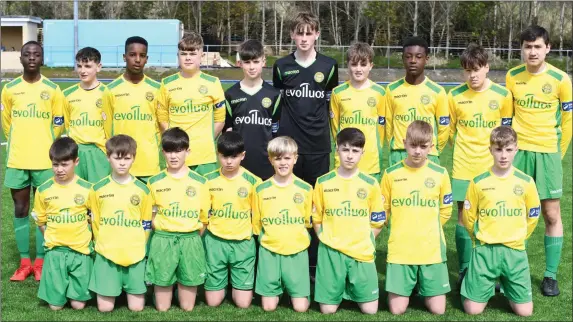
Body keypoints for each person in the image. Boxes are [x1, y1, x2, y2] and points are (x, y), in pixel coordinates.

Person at [505, 25, 572, 297]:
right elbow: (507, 121)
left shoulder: (560, 79)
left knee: (551, 213)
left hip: (548, 153)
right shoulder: (512, 77)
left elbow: (568, 121)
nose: (532, 52)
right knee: (512, 212)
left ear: (548, 48)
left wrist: (559, 153)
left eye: (537, 47)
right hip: (519, 153)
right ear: (521, 49)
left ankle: (550, 276)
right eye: (527, 47)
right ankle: (507, 271)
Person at [272, 11, 338, 283]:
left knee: (316, 207)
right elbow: (277, 103)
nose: (303, 38)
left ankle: (313, 264)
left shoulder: (329, 65)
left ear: (317, 35)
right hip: (289, 149)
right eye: (299, 33)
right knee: (288, 205)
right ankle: (287, 258)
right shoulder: (281, 66)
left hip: (318, 147)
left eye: (308, 33)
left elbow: (329, 101)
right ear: (291, 35)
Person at [448, 43, 513, 287]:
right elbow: (451, 131)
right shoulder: (453, 96)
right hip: (464, 167)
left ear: (486, 67)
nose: (472, 75)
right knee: (464, 218)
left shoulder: (503, 96)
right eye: (467, 70)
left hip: (492, 169)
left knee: (491, 218)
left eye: (476, 69)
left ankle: (491, 269)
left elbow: (507, 133)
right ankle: (464, 269)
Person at [1, 40, 65, 281]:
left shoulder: (53, 89)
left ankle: (40, 261)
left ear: (42, 59)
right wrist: (19, 140)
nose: (31, 57)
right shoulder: (9, 89)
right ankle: (24, 262)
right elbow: (6, 122)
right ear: (20, 59)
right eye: (27, 54)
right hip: (18, 159)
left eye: (36, 54)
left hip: (44, 160)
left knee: (42, 211)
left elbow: (58, 122)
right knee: (20, 209)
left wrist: (46, 142)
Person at [461, 126, 540, 316]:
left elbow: (533, 215)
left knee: (525, 312)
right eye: (498, 149)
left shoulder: (526, 182)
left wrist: (520, 237)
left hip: (515, 252)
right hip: (485, 251)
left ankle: (505, 284)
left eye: (508, 149)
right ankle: (473, 282)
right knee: (472, 310)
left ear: (516, 150)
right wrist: (479, 239)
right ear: (490, 150)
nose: (503, 155)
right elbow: (469, 217)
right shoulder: (478, 182)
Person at [380, 120, 453, 315]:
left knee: (438, 310)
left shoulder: (440, 173)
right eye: (413, 145)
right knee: (397, 309)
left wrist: (427, 227)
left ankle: (421, 286)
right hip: (401, 249)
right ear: (404, 143)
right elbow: (383, 210)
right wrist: (401, 228)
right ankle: (408, 285)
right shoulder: (391, 174)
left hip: (431, 249)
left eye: (423, 146)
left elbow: (446, 209)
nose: (418, 151)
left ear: (431, 146)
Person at [312, 128, 384, 315]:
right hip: (331, 252)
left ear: (362, 153)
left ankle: (353, 288)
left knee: (370, 310)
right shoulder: (323, 182)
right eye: (345, 150)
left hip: (361, 251)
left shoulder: (370, 184)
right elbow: (317, 218)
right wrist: (325, 238)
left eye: (355, 151)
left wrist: (365, 239)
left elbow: (377, 221)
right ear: (337, 149)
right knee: (327, 310)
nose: (350, 156)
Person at [146, 127, 209, 311]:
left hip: (190, 240)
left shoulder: (200, 182)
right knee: (162, 309)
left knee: (187, 308)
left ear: (187, 151)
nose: (174, 156)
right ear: (163, 152)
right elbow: (151, 215)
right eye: (169, 151)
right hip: (162, 240)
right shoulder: (154, 182)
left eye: (179, 150)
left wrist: (188, 234)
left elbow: (204, 220)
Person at [88, 134, 152, 312]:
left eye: (127, 158)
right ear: (108, 158)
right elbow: (96, 222)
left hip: (135, 253)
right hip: (107, 253)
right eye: (117, 158)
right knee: (105, 308)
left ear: (134, 158)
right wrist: (102, 243)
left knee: (137, 308)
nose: (122, 163)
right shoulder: (97, 189)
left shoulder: (143, 190)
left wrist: (139, 245)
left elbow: (146, 223)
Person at [252, 136, 312, 313]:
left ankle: (293, 288)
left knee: (300, 308)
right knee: (268, 307)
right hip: (270, 251)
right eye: (278, 159)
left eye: (287, 158)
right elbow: (257, 224)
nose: (283, 163)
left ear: (295, 158)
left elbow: (308, 222)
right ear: (270, 160)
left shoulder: (306, 189)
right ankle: (275, 289)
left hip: (297, 251)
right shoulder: (261, 190)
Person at [34, 137, 93, 310]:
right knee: (55, 307)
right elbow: (41, 222)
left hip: (80, 252)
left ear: (76, 161)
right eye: (55, 164)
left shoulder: (88, 189)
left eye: (65, 164)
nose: (59, 169)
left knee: (78, 305)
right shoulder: (43, 190)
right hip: (55, 252)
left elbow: (93, 219)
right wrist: (53, 240)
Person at [204, 131, 261, 308]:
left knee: (243, 304)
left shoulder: (254, 182)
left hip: (242, 244)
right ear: (217, 154)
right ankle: (221, 284)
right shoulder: (207, 181)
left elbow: (257, 216)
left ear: (243, 155)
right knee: (213, 302)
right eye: (224, 156)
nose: (229, 162)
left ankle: (236, 286)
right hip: (215, 242)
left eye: (234, 157)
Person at [157, 32, 227, 176]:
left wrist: (206, 139)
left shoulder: (213, 83)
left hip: (204, 157)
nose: (188, 57)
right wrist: (175, 143)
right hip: (176, 155)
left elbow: (220, 119)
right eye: (183, 54)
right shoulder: (166, 84)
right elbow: (162, 118)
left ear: (201, 56)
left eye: (192, 53)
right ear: (178, 57)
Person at [101, 36, 161, 183]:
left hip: (149, 162)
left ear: (147, 59)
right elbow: (107, 129)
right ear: (124, 57)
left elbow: (161, 125)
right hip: (122, 161)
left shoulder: (157, 89)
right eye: (132, 55)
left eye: (142, 55)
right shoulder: (111, 90)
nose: (137, 59)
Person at [385, 36, 449, 166]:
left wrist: (430, 149)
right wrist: (396, 146)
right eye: (408, 56)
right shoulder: (392, 90)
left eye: (418, 57)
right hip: (398, 153)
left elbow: (444, 128)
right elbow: (388, 125)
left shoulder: (437, 91)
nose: (413, 61)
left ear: (426, 59)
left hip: (428, 154)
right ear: (403, 59)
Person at [224, 39, 281, 180]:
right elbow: (228, 132)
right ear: (240, 63)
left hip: (266, 163)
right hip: (239, 164)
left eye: (256, 62)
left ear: (263, 62)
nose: (251, 67)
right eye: (247, 62)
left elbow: (276, 132)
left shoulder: (273, 94)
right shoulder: (231, 94)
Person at [329, 42, 386, 182]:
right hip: (343, 160)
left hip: (370, 162)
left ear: (371, 66)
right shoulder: (338, 93)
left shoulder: (380, 93)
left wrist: (375, 147)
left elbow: (383, 127)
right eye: (354, 64)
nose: (358, 69)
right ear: (348, 65)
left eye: (363, 64)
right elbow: (335, 127)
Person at [63, 46, 111, 183]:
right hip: (75, 151)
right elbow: (67, 123)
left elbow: (110, 125)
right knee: (76, 195)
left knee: (98, 194)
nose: (83, 71)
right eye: (79, 66)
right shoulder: (67, 94)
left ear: (99, 67)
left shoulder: (107, 93)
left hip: (98, 151)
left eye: (88, 66)